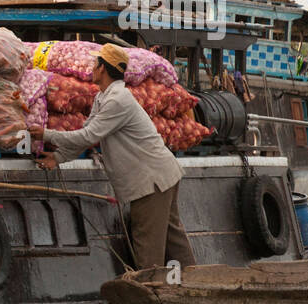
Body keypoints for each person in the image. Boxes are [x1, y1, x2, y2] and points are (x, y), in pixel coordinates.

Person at [28, 43, 196, 270]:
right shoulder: (104, 97)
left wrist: (46, 133)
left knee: (148, 244)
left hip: (151, 181)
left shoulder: (117, 100)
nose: (92, 67)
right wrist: (58, 158)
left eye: (95, 63)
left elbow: (87, 135)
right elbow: (88, 136)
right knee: (173, 239)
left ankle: (152, 292)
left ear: (103, 69)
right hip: (162, 174)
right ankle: (193, 284)